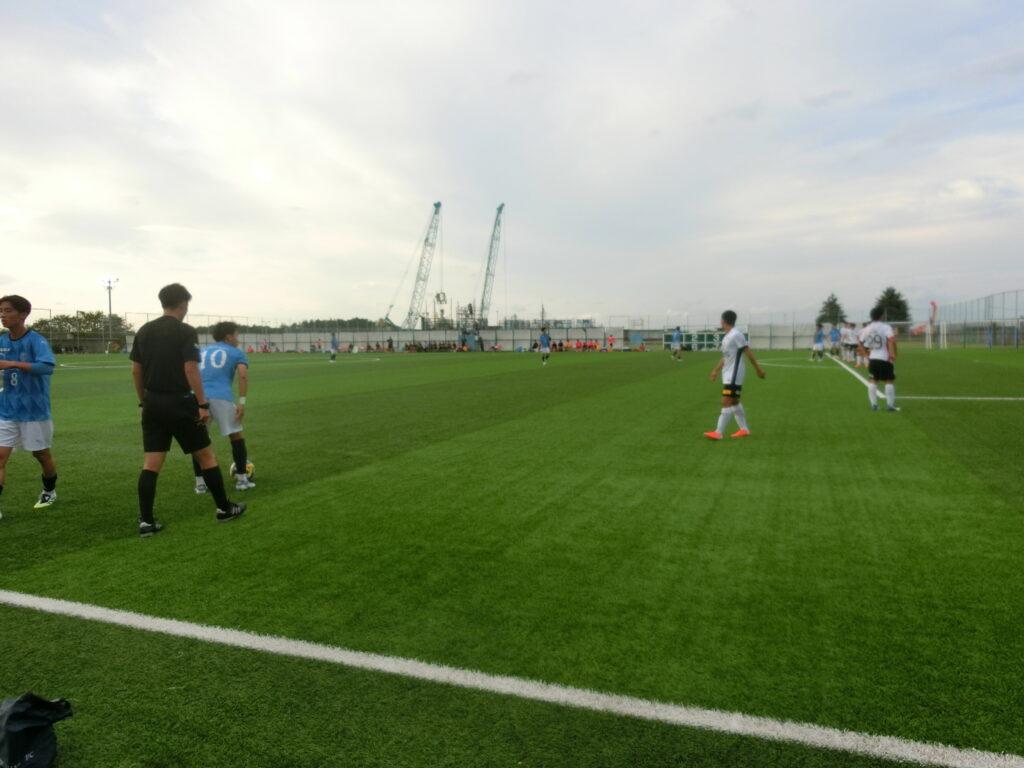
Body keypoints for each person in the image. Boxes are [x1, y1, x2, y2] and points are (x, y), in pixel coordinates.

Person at [130, 283, 245, 537]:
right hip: (180, 402)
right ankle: (224, 508)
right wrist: (202, 404)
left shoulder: (144, 331)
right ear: (183, 304)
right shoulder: (185, 331)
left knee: (151, 464)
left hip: (152, 403)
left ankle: (146, 522)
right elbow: (191, 369)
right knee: (206, 457)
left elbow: (136, 371)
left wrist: (143, 401)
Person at [0, 295, 58, 519]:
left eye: (8, 310)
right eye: (1, 311)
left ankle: (49, 491)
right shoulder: (2, 341)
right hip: (6, 409)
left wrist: (13, 363)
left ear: (23, 314)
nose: (3, 315)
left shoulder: (36, 340)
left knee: (41, 454)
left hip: (34, 411)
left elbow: (47, 367)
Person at [192, 321, 255, 494]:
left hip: (198, 398)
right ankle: (242, 480)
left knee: (199, 441)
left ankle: (200, 484)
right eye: (236, 335)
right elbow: (243, 375)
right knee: (236, 436)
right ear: (228, 336)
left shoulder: (202, 351)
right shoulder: (236, 352)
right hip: (221, 397)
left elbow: (191, 371)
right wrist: (242, 402)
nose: (238, 339)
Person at [705, 310, 766, 440]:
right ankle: (744, 429)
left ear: (724, 321)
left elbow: (747, 352)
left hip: (734, 373)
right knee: (734, 401)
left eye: (721, 320)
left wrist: (758, 370)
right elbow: (726, 357)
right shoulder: (727, 337)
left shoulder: (736, 335)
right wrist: (715, 371)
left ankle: (718, 432)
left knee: (726, 400)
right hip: (728, 373)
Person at [858, 307, 899, 411]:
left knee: (873, 380)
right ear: (881, 316)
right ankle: (890, 406)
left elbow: (860, 342)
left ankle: (874, 405)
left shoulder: (867, 328)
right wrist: (893, 354)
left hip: (873, 358)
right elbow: (891, 340)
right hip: (885, 357)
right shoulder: (885, 327)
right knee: (889, 380)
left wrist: (865, 355)